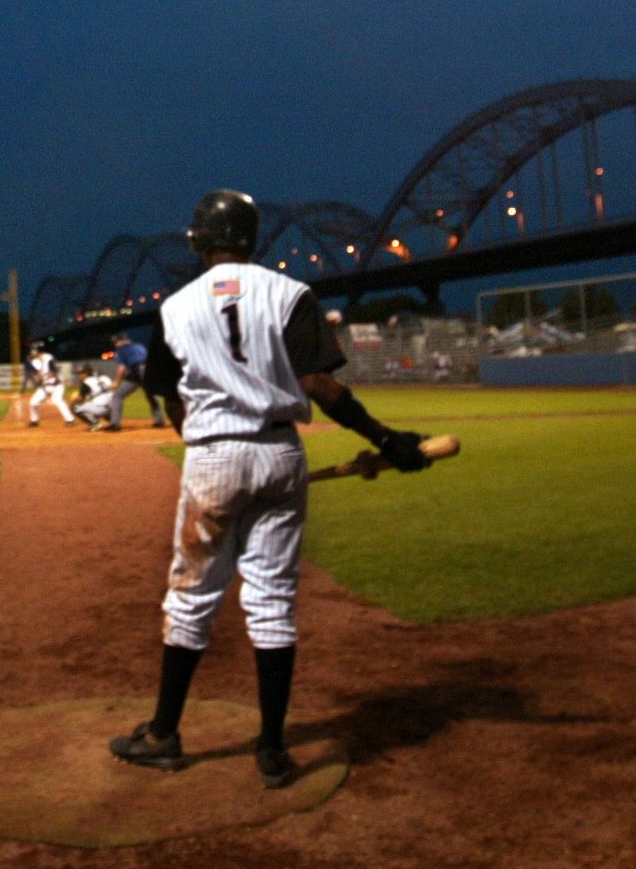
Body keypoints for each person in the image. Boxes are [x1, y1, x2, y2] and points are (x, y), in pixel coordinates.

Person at [109, 190, 437, 789]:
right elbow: (318, 384)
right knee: (272, 601)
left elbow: (172, 396)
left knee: (191, 598)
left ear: (199, 241)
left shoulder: (176, 307)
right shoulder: (290, 294)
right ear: (252, 239)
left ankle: (162, 735)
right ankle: (272, 749)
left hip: (212, 456)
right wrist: (384, 438)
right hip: (281, 453)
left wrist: (202, 446)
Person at [109, 332, 159, 427]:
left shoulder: (120, 350)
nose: (115, 344)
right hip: (149, 369)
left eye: (116, 342)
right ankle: (159, 421)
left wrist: (117, 382)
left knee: (117, 396)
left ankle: (115, 424)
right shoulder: (139, 346)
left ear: (120, 341)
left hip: (137, 370)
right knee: (151, 395)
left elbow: (122, 369)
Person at [26, 345, 73, 426]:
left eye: (33, 351)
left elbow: (53, 371)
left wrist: (48, 376)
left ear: (37, 351)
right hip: (45, 387)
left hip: (56, 385)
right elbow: (36, 374)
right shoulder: (35, 362)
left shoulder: (48, 357)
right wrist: (37, 377)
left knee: (57, 400)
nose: (32, 353)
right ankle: (34, 421)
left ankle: (70, 420)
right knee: (33, 403)